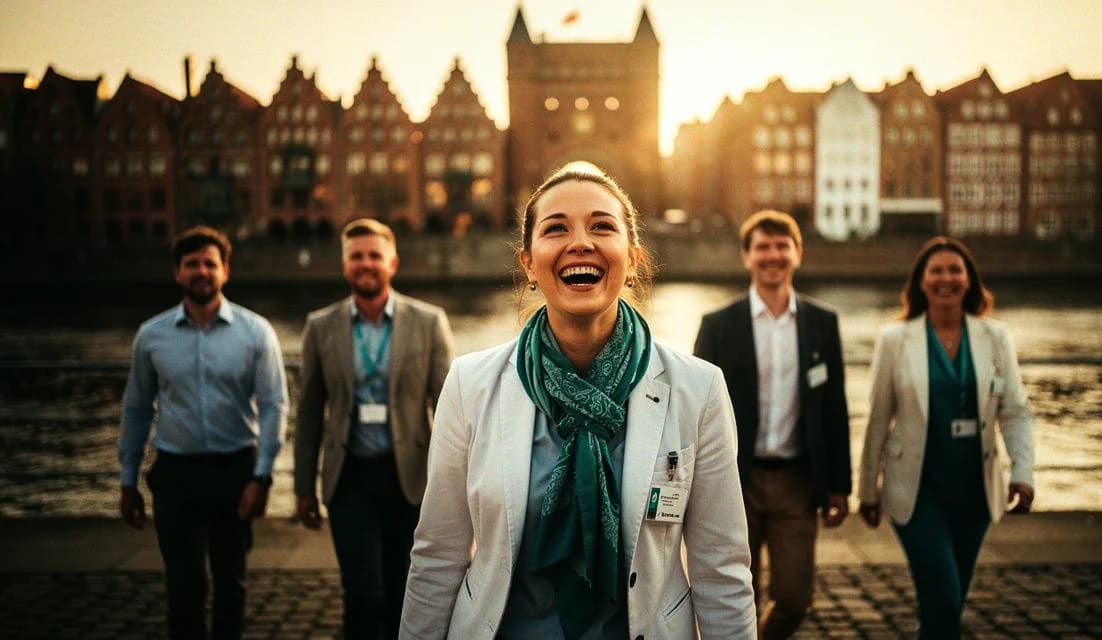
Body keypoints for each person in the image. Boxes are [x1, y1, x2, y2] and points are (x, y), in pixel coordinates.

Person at [400, 164, 755, 640]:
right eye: (556, 229)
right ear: (529, 263)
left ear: (632, 259)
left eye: (602, 226)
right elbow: (437, 557)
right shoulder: (470, 385)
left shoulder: (698, 389)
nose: (580, 243)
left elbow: (721, 570)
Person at [857, 236, 1035, 639]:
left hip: (976, 491)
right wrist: (867, 490)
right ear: (921, 282)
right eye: (935, 271)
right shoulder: (895, 340)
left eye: (955, 270)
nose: (946, 278)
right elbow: (878, 419)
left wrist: (1023, 473)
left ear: (969, 279)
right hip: (917, 491)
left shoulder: (995, 337)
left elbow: (1015, 412)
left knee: (948, 603)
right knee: (943, 595)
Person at [118, 226, 288, 640]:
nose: (201, 271)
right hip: (176, 474)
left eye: (210, 263)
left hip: (236, 471)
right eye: (191, 264)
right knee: (184, 586)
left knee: (231, 583)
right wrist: (127, 480)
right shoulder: (151, 336)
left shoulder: (256, 332)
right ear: (177, 272)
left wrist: (262, 477)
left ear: (225, 270)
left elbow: (274, 406)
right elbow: (137, 408)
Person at [693, 209, 851, 640]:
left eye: (782, 246)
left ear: (797, 253)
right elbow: (694, 410)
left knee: (795, 597)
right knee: (733, 593)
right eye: (763, 247)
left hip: (797, 482)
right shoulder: (718, 325)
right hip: (733, 479)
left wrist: (840, 485)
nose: (773, 255)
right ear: (747, 256)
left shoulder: (822, 323)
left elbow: (833, 407)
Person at [293, 218, 453, 639]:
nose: (366, 263)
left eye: (374, 255)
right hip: (349, 478)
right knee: (363, 595)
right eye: (356, 256)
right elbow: (309, 411)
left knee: (406, 593)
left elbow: (449, 407)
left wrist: (456, 483)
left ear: (392, 263)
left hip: (410, 478)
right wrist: (303, 487)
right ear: (345, 264)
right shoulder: (320, 326)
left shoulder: (429, 321)